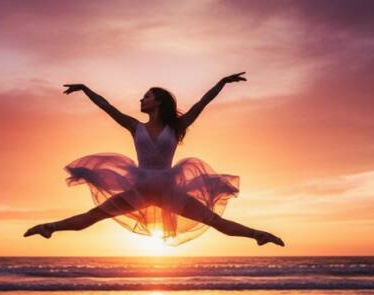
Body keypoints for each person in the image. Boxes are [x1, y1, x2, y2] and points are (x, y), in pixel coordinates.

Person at [24, 72, 285, 247]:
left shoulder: (177, 126)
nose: (141, 99)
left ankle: (258, 235)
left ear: (158, 102)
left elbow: (202, 103)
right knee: (92, 217)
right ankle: (50, 227)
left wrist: (222, 82)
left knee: (214, 221)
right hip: (140, 189)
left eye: (146, 96)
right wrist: (85, 89)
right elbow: (106, 106)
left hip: (169, 190)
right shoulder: (134, 126)